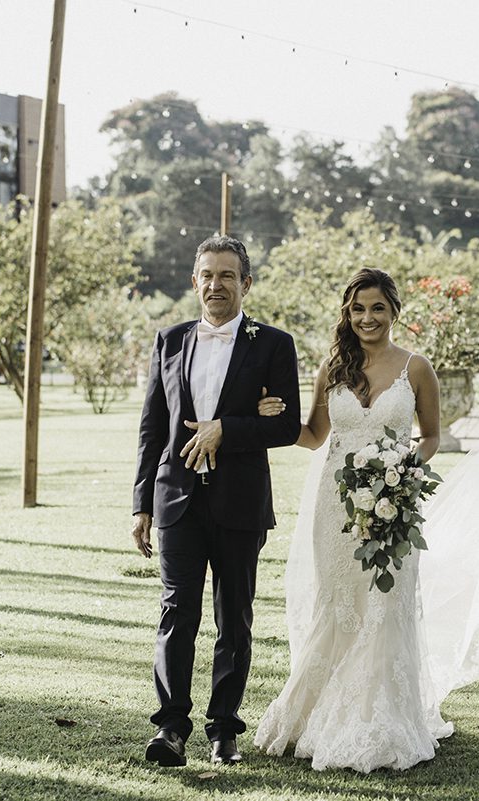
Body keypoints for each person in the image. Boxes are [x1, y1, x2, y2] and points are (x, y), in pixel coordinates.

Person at [253, 268, 479, 772]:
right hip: (335, 507)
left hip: (392, 504)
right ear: (347, 314)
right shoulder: (333, 368)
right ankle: (317, 713)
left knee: (385, 604)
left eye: (377, 308)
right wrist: (273, 421)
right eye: (358, 309)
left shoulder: (416, 367)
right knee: (338, 605)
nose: (367, 318)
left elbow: (431, 437)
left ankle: (380, 719)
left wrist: (400, 472)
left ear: (394, 312)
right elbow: (314, 436)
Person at [132, 235, 301, 767]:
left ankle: (224, 730)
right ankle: (170, 729)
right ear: (194, 281)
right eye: (207, 275)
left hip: (240, 502)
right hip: (176, 500)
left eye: (227, 275)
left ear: (246, 283)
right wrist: (141, 504)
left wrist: (227, 428)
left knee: (234, 619)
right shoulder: (169, 340)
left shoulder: (273, 345)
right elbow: (152, 427)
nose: (216, 285)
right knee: (176, 613)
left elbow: (288, 426)